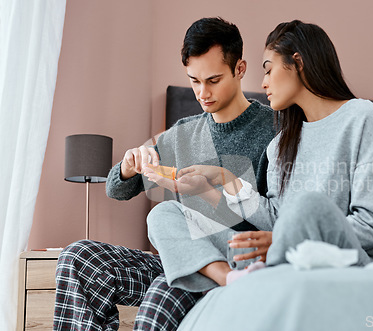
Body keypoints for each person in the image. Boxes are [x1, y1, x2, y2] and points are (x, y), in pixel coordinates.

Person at [53, 17, 275, 331]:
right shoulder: (181, 134)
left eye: (213, 80)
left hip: (234, 260)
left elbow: (272, 218)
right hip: (179, 257)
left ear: (240, 69)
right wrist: (129, 165)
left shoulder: (273, 131)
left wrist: (210, 192)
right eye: (194, 80)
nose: (202, 93)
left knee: (157, 303)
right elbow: (117, 189)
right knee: (79, 257)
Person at [176, 20, 373, 279]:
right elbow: (277, 220)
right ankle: (231, 279)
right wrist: (225, 179)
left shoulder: (363, 118)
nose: (263, 83)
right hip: (281, 260)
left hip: (342, 265)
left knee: (309, 204)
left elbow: (372, 226)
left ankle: (261, 271)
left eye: (268, 70)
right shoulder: (280, 145)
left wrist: (284, 242)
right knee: (169, 213)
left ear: (297, 63)